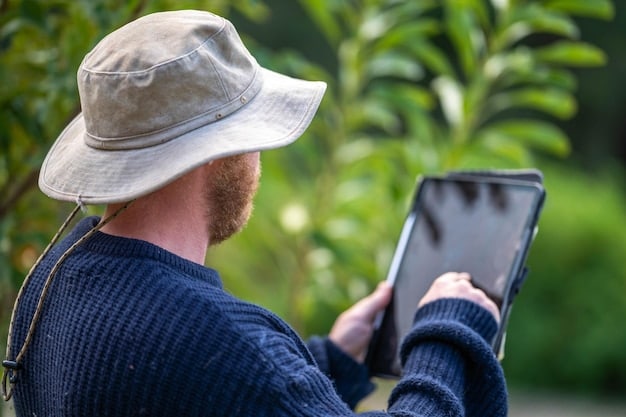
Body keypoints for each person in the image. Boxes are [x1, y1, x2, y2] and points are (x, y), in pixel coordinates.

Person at [2, 10, 507, 417]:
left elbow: (198, 393)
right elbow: (230, 370)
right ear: (217, 155)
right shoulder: (228, 346)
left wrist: (329, 362)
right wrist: (445, 338)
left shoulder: (55, 276)